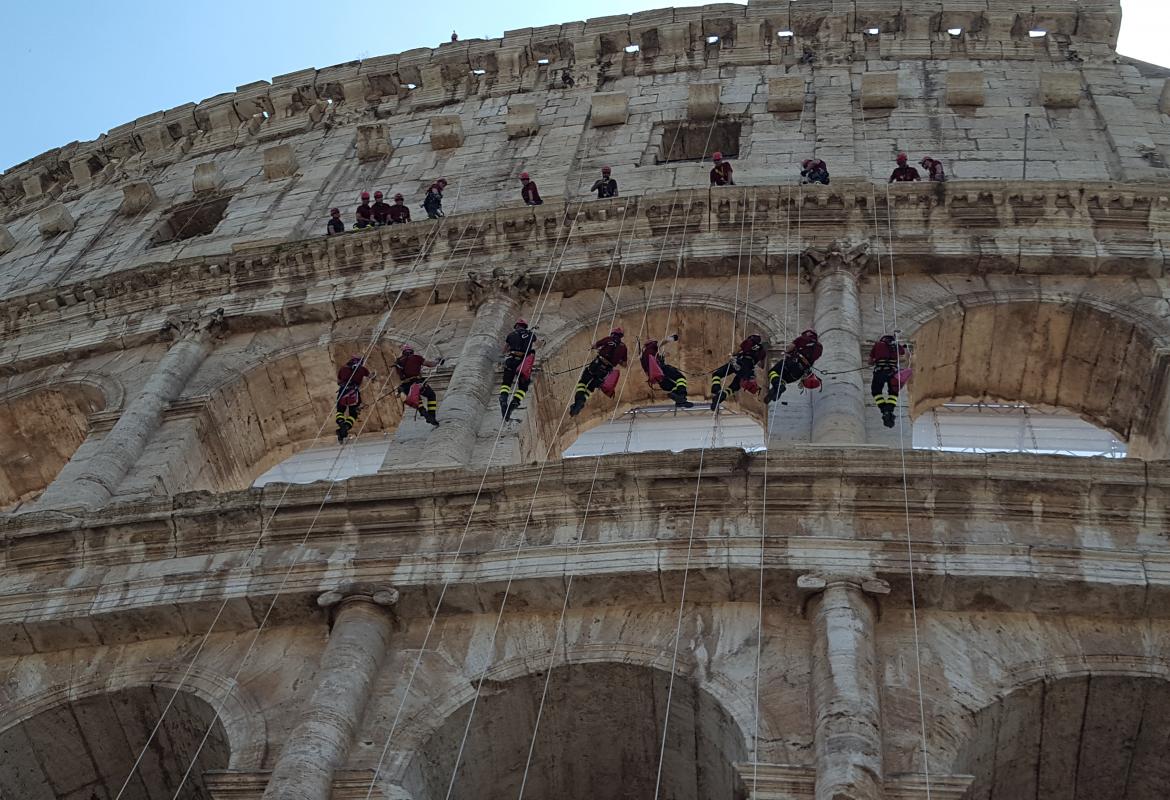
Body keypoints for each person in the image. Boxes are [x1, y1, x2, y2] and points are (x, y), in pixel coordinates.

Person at [569, 327, 628, 417]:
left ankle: (578, 402)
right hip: (606, 370)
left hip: (597, 363)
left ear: (613, 333)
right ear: (621, 336)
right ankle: (581, 402)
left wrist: (598, 349)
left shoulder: (608, 339)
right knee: (591, 387)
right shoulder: (623, 347)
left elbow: (595, 345)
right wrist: (617, 360)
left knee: (583, 382)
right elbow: (624, 364)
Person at [710, 334, 766, 411]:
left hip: (739, 362)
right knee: (734, 387)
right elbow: (762, 365)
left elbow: (737, 351)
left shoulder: (749, 342)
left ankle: (717, 390)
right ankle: (721, 396)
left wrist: (732, 354)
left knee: (717, 374)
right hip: (748, 369)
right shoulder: (762, 351)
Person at [765, 330, 823, 404]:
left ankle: (778, 386)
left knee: (772, 372)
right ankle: (776, 390)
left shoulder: (802, 338)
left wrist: (786, 352)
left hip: (791, 363)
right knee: (783, 379)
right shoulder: (819, 347)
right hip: (799, 373)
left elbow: (791, 346)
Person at [640, 335, 693, 409]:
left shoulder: (643, 357)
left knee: (673, 387)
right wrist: (672, 338)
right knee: (681, 378)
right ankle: (681, 395)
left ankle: (680, 401)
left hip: (657, 378)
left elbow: (647, 371)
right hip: (662, 369)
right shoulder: (652, 346)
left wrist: (663, 356)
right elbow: (662, 342)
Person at [395, 345, 443, 426]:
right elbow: (430, 364)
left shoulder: (398, 362)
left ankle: (423, 412)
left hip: (405, 386)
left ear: (403, 352)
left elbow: (397, 375)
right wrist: (437, 361)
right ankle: (432, 415)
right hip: (417, 382)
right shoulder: (416, 358)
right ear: (412, 351)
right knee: (431, 395)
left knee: (417, 399)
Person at [499, 318, 536, 420]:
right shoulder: (531, 334)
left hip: (511, 360)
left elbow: (505, 349)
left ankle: (503, 398)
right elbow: (538, 345)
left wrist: (502, 357)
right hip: (522, 362)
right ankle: (515, 402)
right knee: (524, 386)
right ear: (525, 326)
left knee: (506, 383)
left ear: (517, 326)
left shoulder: (511, 335)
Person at [870, 334, 907, 428]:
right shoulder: (896, 345)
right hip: (893, 373)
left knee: (876, 392)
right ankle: (889, 410)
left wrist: (876, 360)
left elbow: (870, 360)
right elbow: (903, 353)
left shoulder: (878, 344)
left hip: (880, 371)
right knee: (893, 393)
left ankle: (884, 410)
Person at [335, 355, 374, 443]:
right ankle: (346, 427)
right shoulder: (363, 369)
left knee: (340, 410)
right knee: (353, 414)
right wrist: (374, 375)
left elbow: (339, 381)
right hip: (354, 392)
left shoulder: (343, 369)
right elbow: (371, 376)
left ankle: (341, 425)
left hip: (343, 391)